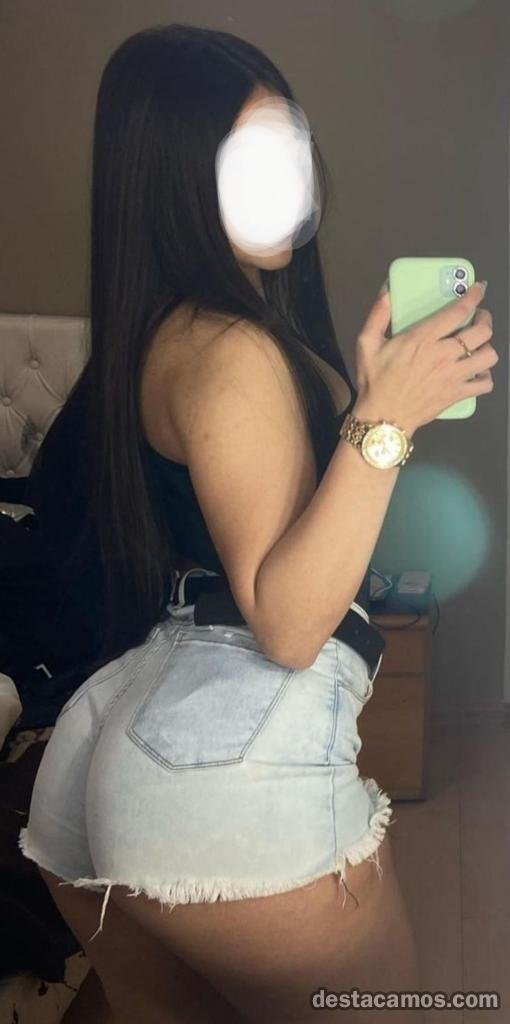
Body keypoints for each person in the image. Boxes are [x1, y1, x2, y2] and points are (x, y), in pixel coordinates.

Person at [17, 23, 496, 1024]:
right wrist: (386, 422)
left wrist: (370, 407)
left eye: (291, 149)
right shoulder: (231, 347)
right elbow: (288, 622)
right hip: (221, 761)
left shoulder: (171, 336)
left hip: (117, 751)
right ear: (176, 179)